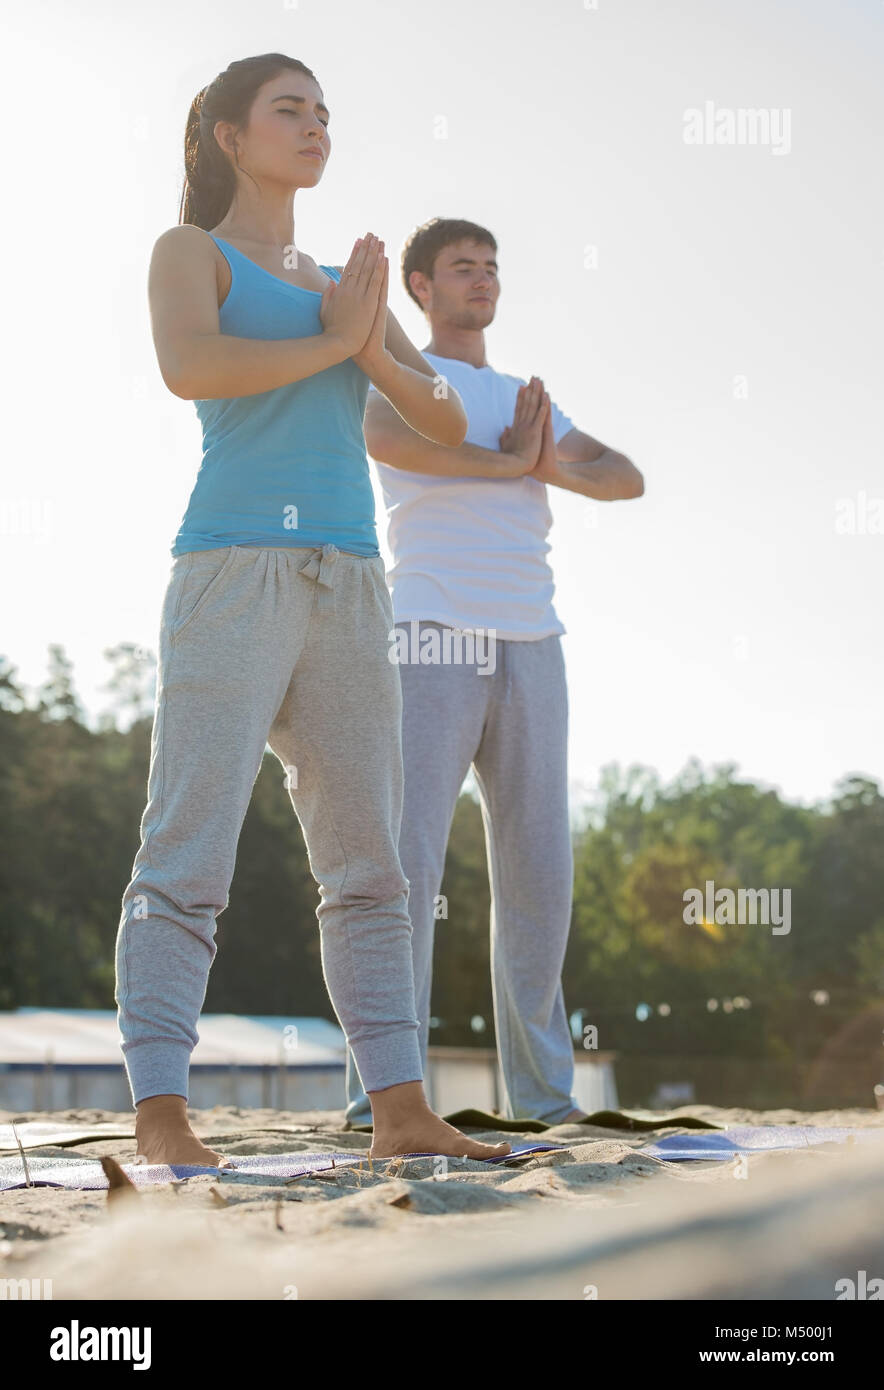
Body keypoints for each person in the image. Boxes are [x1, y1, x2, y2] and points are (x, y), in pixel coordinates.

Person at [115, 60, 511, 1164]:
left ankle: (398, 1108)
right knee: (186, 852)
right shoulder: (188, 252)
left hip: (348, 576)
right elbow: (191, 367)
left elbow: (435, 415)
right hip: (233, 570)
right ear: (226, 135)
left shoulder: (346, 284)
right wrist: (339, 340)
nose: (315, 125)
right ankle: (161, 1115)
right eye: (289, 108)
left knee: (369, 865)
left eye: (324, 111)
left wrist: (370, 334)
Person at [344, 217, 644, 1126]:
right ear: (421, 289)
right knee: (407, 868)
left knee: (540, 870)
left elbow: (625, 475)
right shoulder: (403, 379)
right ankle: (380, 1098)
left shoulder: (524, 397)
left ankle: (547, 1099)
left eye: (490, 267)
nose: (481, 279)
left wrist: (548, 461)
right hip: (432, 629)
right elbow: (390, 443)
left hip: (533, 641)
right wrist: (508, 463)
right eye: (461, 268)